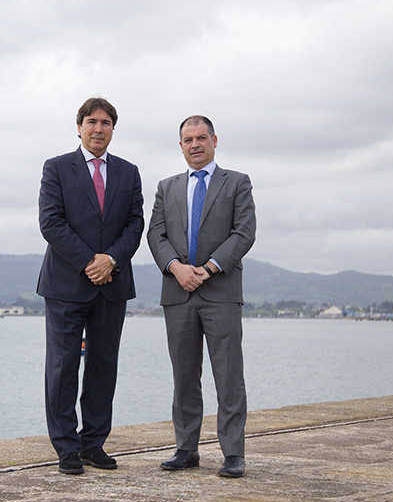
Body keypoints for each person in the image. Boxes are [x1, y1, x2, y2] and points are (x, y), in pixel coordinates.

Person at [37, 97, 144, 475]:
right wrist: (89, 261)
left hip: (111, 285)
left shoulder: (129, 172)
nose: (99, 129)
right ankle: (66, 447)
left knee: (103, 366)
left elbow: (135, 225)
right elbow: (51, 223)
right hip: (66, 285)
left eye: (106, 123)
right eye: (92, 122)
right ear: (79, 126)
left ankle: (93, 443)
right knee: (62, 367)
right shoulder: (57, 168)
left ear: (113, 129)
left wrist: (110, 259)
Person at [146, 115, 256, 478]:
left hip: (220, 293)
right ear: (180, 145)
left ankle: (233, 454)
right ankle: (186, 449)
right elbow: (156, 236)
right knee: (184, 376)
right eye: (188, 139)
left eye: (201, 138)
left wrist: (208, 268)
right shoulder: (167, 187)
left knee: (228, 375)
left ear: (214, 140)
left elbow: (244, 234)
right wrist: (176, 268)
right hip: (177, 293)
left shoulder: (237, 183)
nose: (195, 144)